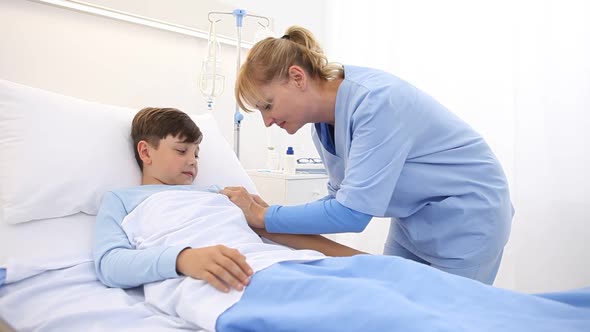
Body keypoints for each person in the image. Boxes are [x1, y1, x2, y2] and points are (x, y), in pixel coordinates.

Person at [93, 107, 589, 332]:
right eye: (181, 151)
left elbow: (279, 229)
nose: (192, 162)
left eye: (197, 152)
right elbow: (110, 266)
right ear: (145, 150)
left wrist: (367, 261)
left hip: (295, 266)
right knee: (397, 316)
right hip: (241, 283)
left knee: (416, 284)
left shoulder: (219, 194)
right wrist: (184, 259)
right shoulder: (122, 201)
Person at [223, 25, 515, 285]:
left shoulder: (376, 102)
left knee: (447, 317)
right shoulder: (321, 127)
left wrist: (266, 215)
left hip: (468, 220)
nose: (267, 121)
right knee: (396, 302)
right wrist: (268, 218)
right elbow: (340, 199)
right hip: (413, 221)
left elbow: (351, 214)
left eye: (267, 105)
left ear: (297, 77)